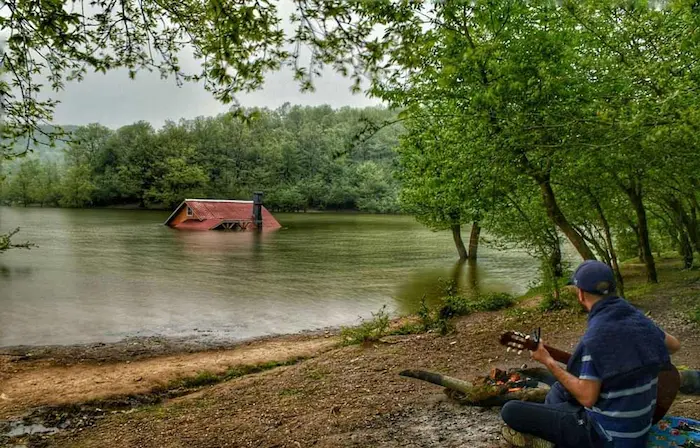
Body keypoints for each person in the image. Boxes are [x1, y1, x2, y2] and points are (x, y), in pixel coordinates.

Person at [500, 260, 681, 448]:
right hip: (639, 426)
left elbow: (587, 398)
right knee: (558, 391)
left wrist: (547, 360)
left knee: (510, 410)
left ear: (580, 294)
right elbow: (674, 345)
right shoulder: (639, 321)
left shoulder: (596, 338)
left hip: (607, 436)